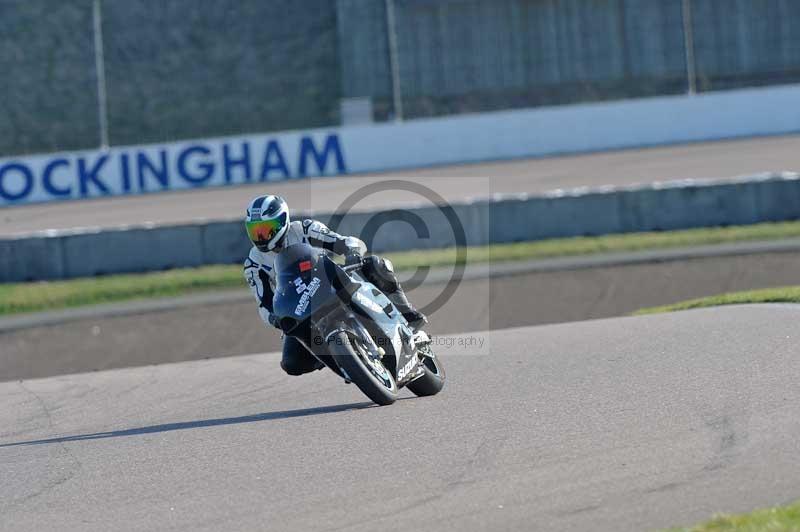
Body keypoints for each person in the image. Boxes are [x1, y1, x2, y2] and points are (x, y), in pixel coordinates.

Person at [243, 194, 427, 376]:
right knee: (292, 363)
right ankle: (342, 357)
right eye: (255, 231)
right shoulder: (254, 263)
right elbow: (264, 303)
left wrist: (352, 252)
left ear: (283, 221)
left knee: (374, 264)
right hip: (302, 306)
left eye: (266, 229)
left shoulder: (305, 229)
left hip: (332, 282)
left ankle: (407, 314)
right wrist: (274, 318)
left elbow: (343, 241)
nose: (260, 237)